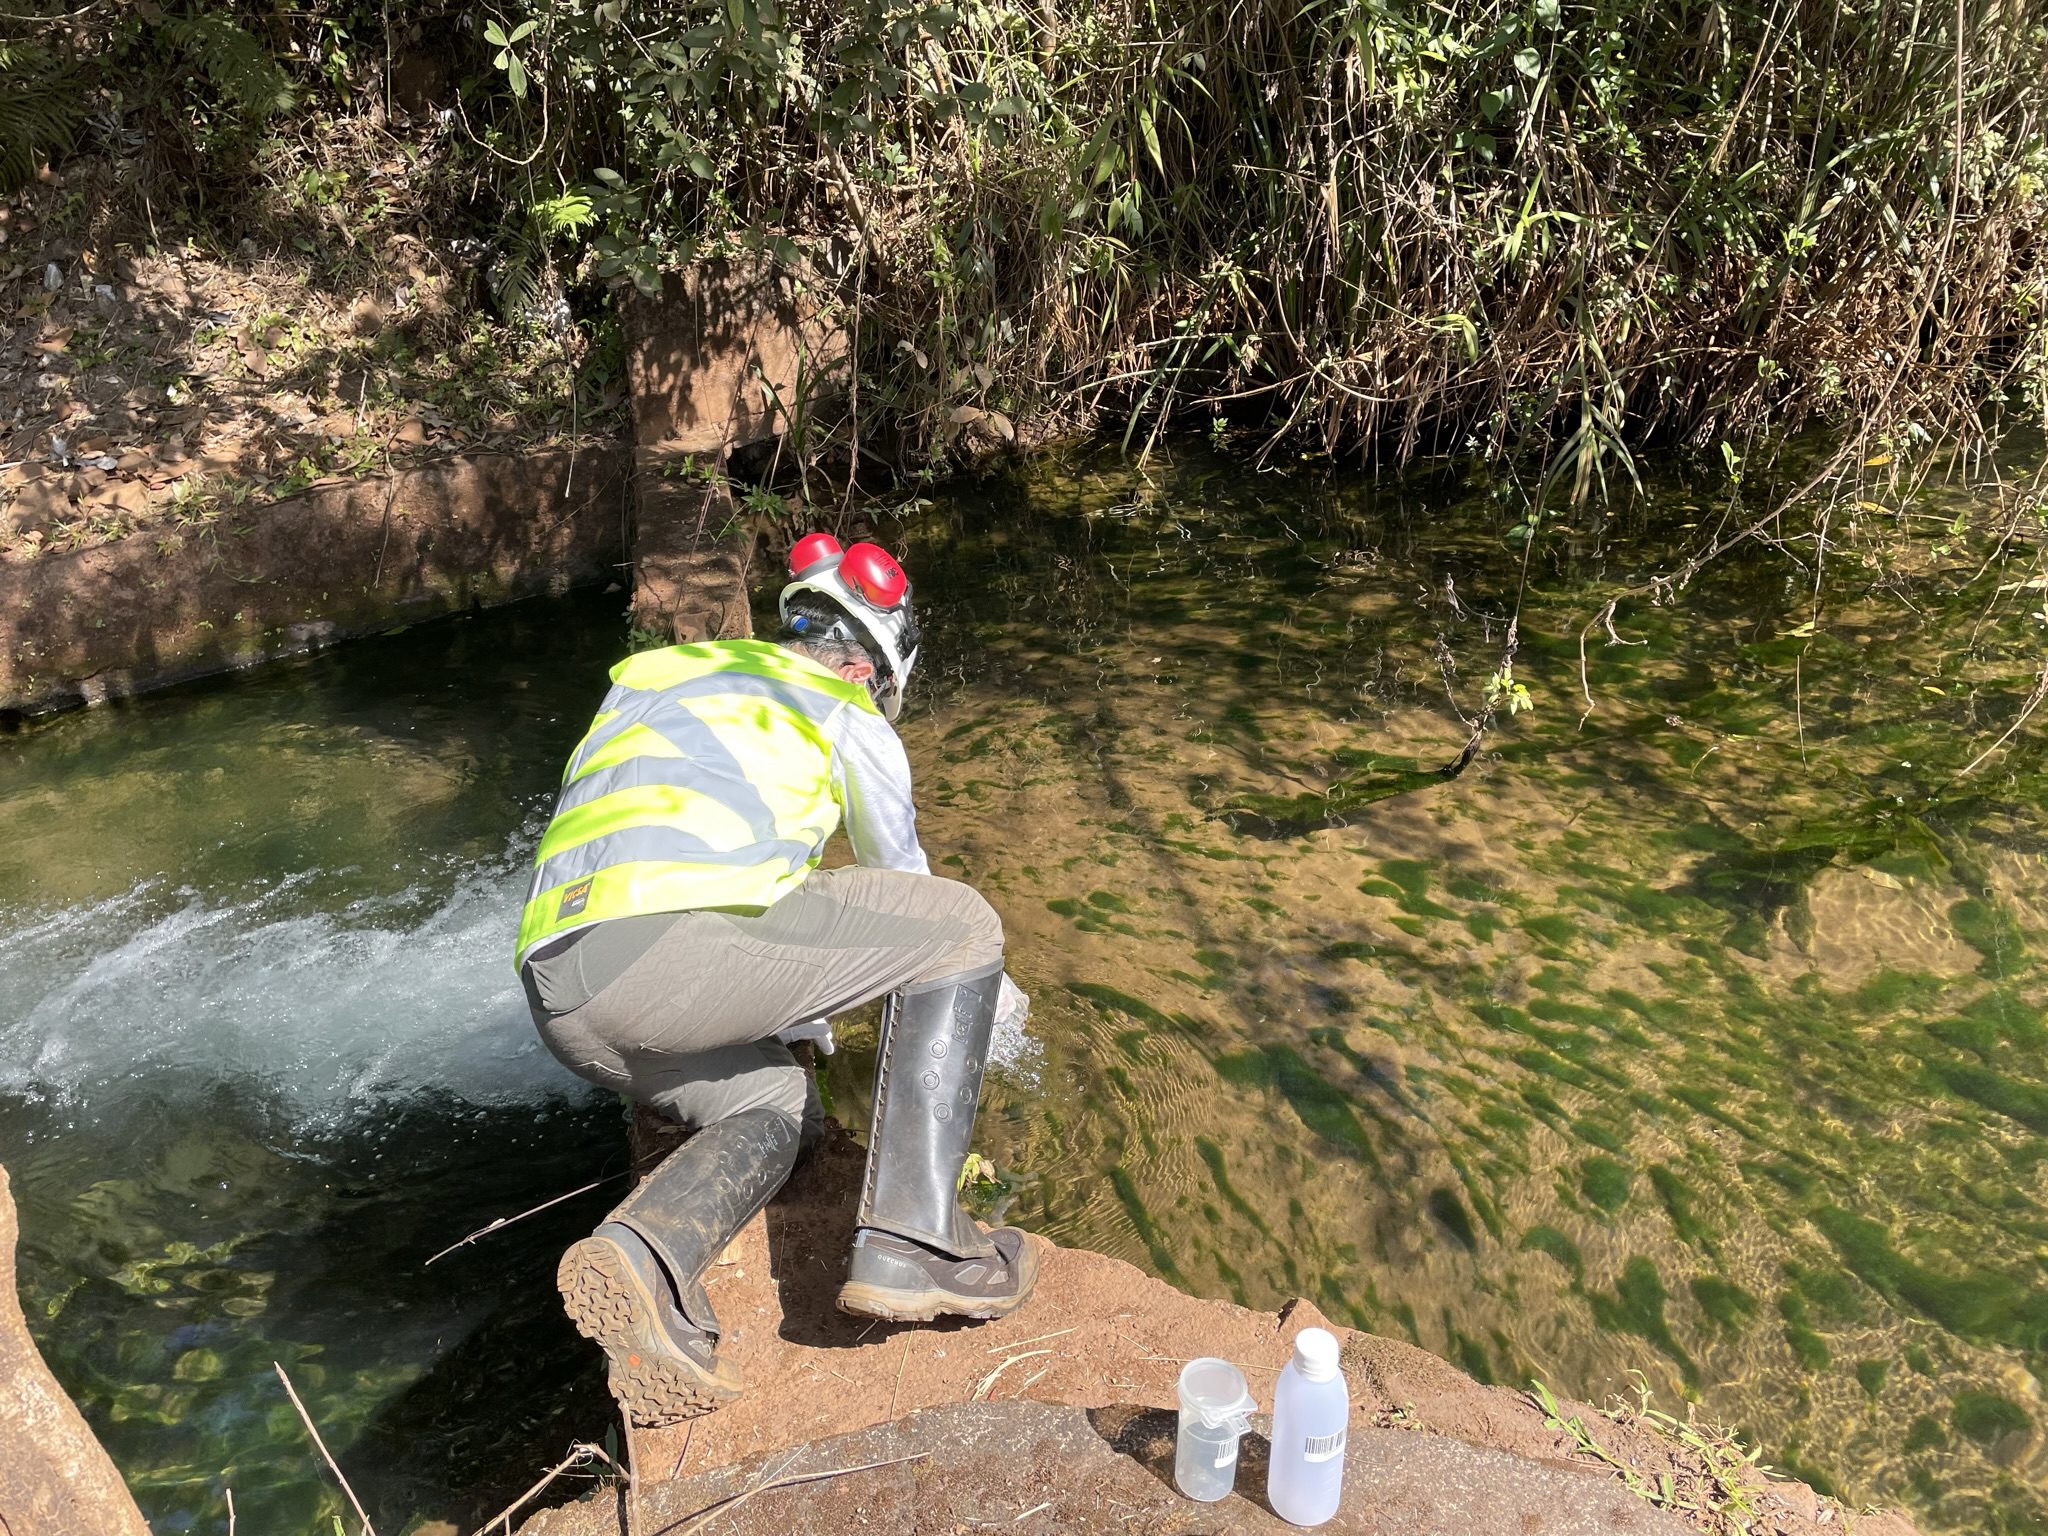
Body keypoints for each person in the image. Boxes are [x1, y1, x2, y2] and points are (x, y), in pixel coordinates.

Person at [513, 533, 1038, 1425]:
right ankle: (916, 1244)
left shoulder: (661, 675)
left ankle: (647, 1256)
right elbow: (910, 893)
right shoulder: (841, 707)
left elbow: (691, 838)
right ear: (869, 668)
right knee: (966, 923)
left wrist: (795, 996)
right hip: (663, 961)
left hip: (562, 992)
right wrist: (1009, 1018)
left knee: (775, 1103)